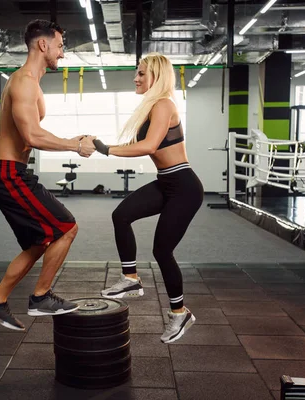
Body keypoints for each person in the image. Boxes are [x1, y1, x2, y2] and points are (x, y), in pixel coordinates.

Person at [0, 19, 96, 331]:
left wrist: (75, 140)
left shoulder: (32, 83)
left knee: (39, 242)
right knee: (67, 227)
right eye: (59, 46)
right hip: (7, 173)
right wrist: (74, 145)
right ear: (43, 45)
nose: (62, 53)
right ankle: (41, 297)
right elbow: (32, 135)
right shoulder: (24, 82)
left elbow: (31, 135)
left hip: (11, 171)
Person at [94, 53, 204, 344]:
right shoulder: (152, 107)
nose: (136, 78)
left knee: (162, 251)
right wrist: (96, 144)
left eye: (141, 74)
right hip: (166, 183)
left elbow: (149, 146)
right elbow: (135, 144)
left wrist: (106, 150)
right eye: (137, 73)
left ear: (156, 76)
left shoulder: (165, 104)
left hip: (184, 187)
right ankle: (130, 279)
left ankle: (179, 313)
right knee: (121, 215)